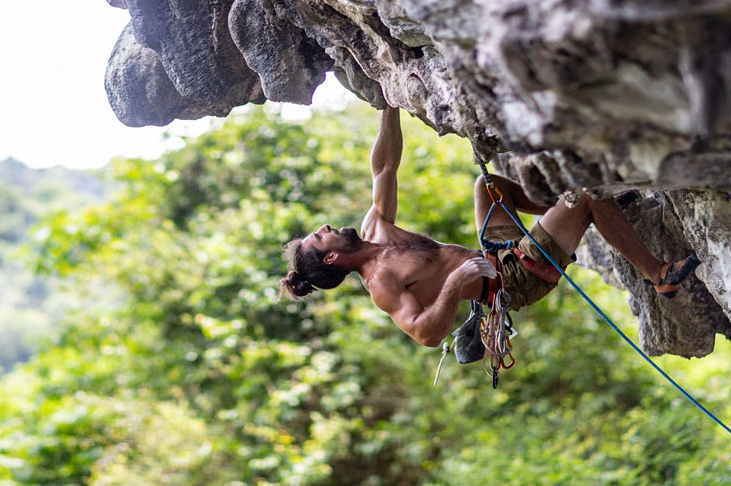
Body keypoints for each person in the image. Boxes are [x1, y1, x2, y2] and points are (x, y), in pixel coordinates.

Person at [279, 106, 700, 348]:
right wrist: (455, 281)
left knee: (489, 185)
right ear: (331, 258)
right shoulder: (382, 286)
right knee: (585, 197)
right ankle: (658, 274)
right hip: (513, 279)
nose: (326, 226)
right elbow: (426, 334)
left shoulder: (375, 228)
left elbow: (384, 167)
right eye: (320, 236)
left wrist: (388, 106)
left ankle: (577, 212)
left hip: (496, 252)